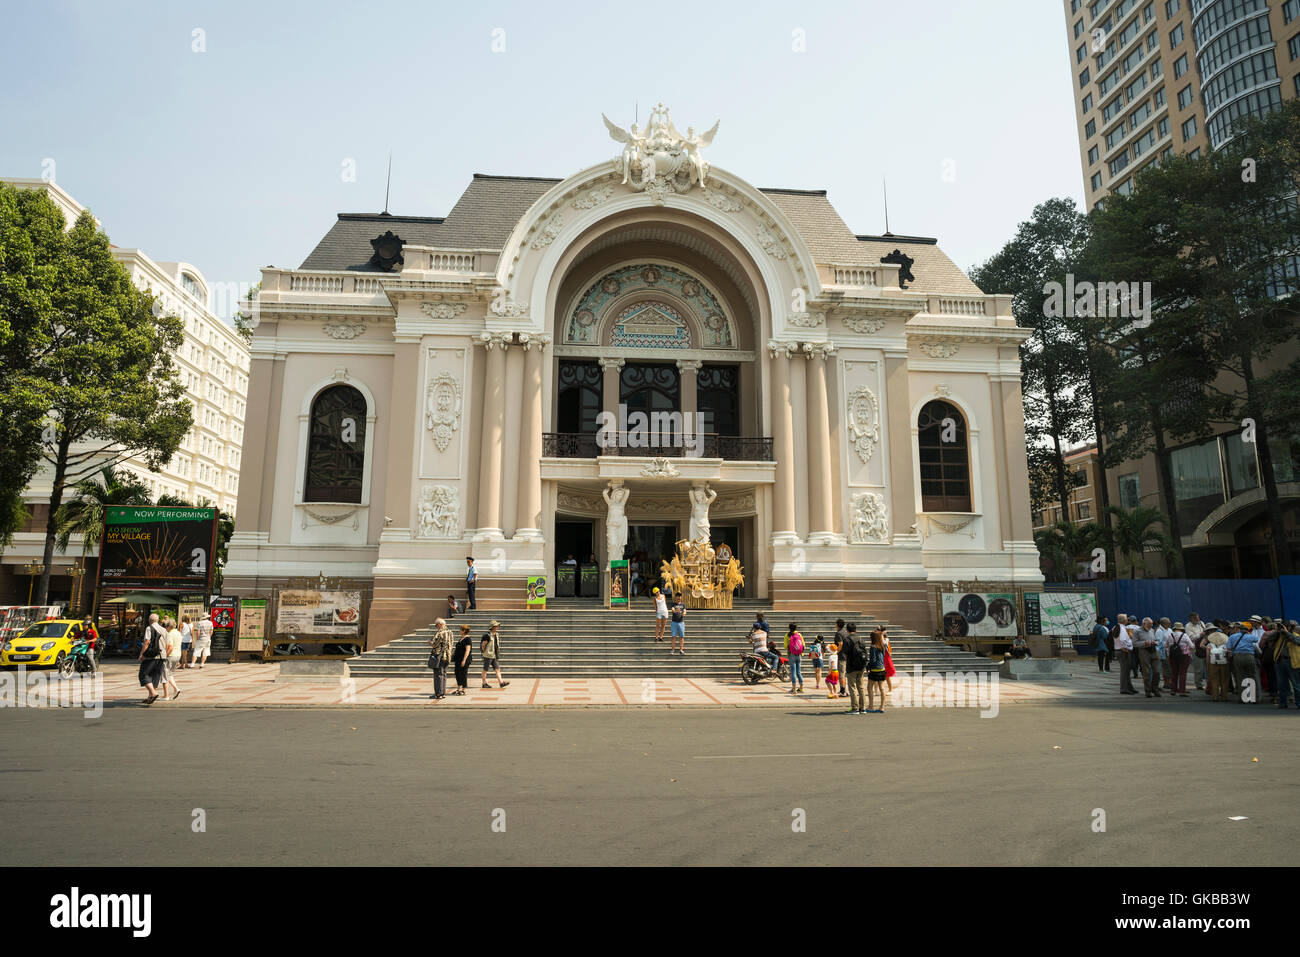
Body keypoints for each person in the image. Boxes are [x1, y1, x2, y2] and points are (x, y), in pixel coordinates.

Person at [1227, 621, 1260, 703]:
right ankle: (1253, 698)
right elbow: (1256, 640)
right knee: (1252, 676)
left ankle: (1243, 698)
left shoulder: (1232, 637)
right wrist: (1248, 634)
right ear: (1247, 630)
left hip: (1237, 657)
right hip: (1249, 656)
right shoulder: (1250, 636)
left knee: (1240, 676)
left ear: (1239, 629)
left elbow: (1229, 647)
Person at [137, 614, 167, 705]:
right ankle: (150, 696)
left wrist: (141, 654)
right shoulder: (164, 629)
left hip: (151, 656)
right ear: (158, 620)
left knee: (143, 674)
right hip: (162, 656)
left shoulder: (149, 628)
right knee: (153, 675)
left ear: (150, 620)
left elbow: (147, 642)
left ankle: (153, 693)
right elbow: (167, 643)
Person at [1272, 620, 1300, 709]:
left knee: (1296, 684)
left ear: (1289, 628)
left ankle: (1299, 703)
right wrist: (1276, 632)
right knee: (1281, 684)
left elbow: (1296, 641)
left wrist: (1286, 633)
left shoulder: (1296, 635)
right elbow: (1268, 639)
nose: (1282, 628)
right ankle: (1283, 703)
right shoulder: (1279, 636)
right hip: (1279, 661)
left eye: (1284, 627)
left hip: (1292, 661)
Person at [841, 627, 867, 714]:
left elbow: (844, 652)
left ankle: (854, 708)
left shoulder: (847, 640)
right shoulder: (860, 639)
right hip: (861, 666)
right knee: (861, 687)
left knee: (852, 687)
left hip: (851, 667)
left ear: (847, 630)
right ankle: (862, 708)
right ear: (855, 630)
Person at [1134, 617, 1161, 698]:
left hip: (1154, 651)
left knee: (1157, 672)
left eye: (1151, 624)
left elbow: (1156, 639)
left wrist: (1155, 642)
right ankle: (1148, 691)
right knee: (1146, 672)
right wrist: (1144, 643)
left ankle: (1155, 688)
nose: (1151, 626)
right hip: (1144, 652)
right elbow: (1134, 643)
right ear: (1143, 624)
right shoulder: (1137, 631)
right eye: (1149, 625)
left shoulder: (1152, 630)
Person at [428, 617, 453, 700]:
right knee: (444, 674)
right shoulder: (450, 632)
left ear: (440, 624)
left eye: (436, 625)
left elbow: (434, 644)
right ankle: (443, 693)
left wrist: (430, 643)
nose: (436, 627)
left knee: (438, 675)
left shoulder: (440, 633)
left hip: (439, 656)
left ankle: (438, 694)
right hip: (448, 656)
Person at [480, 620, 509, 689]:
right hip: (488, 655)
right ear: (492, 627)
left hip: (494, 655)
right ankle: (484, 683)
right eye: (496, 626)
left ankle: (501, 683)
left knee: (497, 669)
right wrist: (484, 652)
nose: (497, 627)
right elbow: (483, 645)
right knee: (485, 670)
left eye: (497, 626)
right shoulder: (487, 636)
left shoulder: (496, 635)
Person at [1166, 622, 1192, 696]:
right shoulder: (1185, 635)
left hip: (1173, 656)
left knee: (1174, 673)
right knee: (1182, 673)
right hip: (1184, 656)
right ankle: (1182, 691)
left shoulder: (1170, 635)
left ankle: (1173, 690)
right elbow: (1192, 646)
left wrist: (1168, 653)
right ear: (1181, 629)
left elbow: (1165, 645)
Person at [866, 630, 888, 713]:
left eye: (870, 636)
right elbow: (883, 656)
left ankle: (871, 706)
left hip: (874, 669)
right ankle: (882, 707)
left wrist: (868, 667)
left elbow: (873, 660)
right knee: (882, 688)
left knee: (869, 687)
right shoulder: (882, 645)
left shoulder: (873, 647)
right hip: (882, 668)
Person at [160, 618, 183, 701]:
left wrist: (165, 656)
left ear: (169, 626)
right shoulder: (178, 633)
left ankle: (166, 695)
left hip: (170, 655)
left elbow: (170, 647)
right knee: (170, 674)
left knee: (164, 675)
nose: (165, 628)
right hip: (178, 655)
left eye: (166, 626)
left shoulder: (169, 634)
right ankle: (176, 689)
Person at [1206, 627, 1230, 702]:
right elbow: (1228, 654)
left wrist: (1208, 665)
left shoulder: (1209, 645)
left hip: (1213, 664)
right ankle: (1224, 696)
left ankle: (1215, 697)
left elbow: (1207, 657)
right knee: (1224, 680)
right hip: (1224, 664)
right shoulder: (1226, 645)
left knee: (1214, 680)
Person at [1115, 614, 1137, 695]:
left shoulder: (1116, 627)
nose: (1127, 620)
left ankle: (1129, 687)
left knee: (1126, 670)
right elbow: (1123, 640)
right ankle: (1124, 688)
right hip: (1123, 651)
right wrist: (1126, 647)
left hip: (1118, 650)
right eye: (1127, 619)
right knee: (1125, 671)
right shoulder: (1122, 629)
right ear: (1124, 620)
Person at [1185, 612, 1207, 691]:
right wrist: (1200, 635)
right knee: (1199, 668)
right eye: (1196, 618)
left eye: (1198, 617)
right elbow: (1190, 638)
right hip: (1196, 649)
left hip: (1204, 647)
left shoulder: (1201, 623)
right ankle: (1199, 684)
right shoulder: (1188, 626)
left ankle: (1208, 684)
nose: (1198, 619)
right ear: (1191, 619)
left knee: (1207, 666)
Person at [452, 623, 473, 695]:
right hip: (458, 659)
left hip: (464, 660)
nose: (459, 631)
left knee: (463, 674)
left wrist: (464, 660)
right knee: (457, 673)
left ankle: (463, 690)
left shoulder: (467, 639)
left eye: (460, 630)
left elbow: (468, 650)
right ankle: (459, 688)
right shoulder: (461, 638)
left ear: (464, 631)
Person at [785, 624, 804, 694]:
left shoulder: (787, 635)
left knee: (793, 672)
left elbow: (785, 646)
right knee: (799, 672)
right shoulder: (799, 635)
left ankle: (794, 689)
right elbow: (803, 644)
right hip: (799, 655)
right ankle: (801, 688)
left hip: (791, 655)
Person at [1155, 617, 1173, 691]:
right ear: (1164, 623)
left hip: (1170, 651)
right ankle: (1166, 683)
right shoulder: (1159, 631)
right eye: (1169, 623)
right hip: (1163, 652)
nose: (1170, 624)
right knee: (1165, 668)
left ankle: (1169, 683)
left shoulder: (1169, 630)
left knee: (1169, 667)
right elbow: (1159, 642)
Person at [834, 620, 851, 697]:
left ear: (838, 625)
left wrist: (836, 652)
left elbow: (840, 644)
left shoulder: (839, 633)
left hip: (842, 656)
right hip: (848, 655)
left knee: (841, 674)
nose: (835, 625)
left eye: (835, 624)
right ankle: (845, 690)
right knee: (845, 673)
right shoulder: (846, 632)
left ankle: (843, 691)